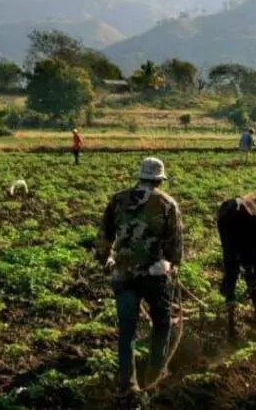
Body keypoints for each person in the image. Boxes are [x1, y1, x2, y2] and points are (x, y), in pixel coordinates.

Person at [95, 157, 184, 395]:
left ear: (141, 177)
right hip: (155, 277)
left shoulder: (118, 199)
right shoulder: (167, 204)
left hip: (123, 275)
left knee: (127, 331)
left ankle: (128, 383)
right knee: (162, 324)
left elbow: (104, 237)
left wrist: (106, 260)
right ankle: (154, 376)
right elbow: (175, 245)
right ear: (159, 180)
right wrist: (171, 263)